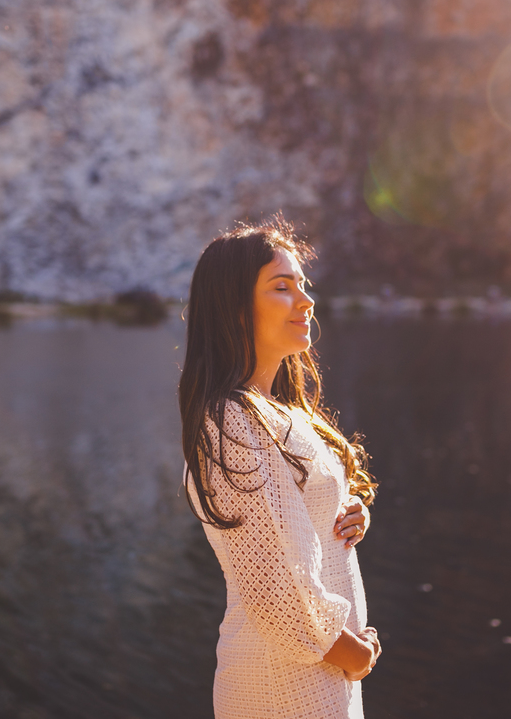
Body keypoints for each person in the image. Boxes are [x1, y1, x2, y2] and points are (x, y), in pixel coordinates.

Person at [180, 219, 382, 719]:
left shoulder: (279, 411)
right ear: (235, 308)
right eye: (282, 287)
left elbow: (295, 520)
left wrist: (347, 514)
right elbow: (277, 593)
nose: (306, 300)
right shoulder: (231, 420)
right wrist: (355, 656)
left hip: (320, 673)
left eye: (303, 285)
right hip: (283, 686)